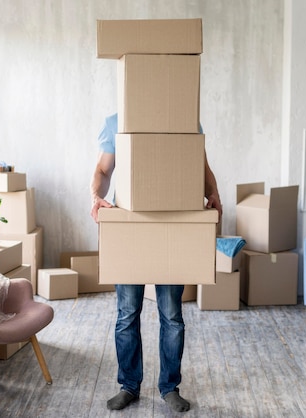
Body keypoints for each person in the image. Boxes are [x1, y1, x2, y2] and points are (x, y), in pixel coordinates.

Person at [90, 113, 223, 412]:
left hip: (170, 228)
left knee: (172, 315)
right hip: (130, 227)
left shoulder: (186, 118)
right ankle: (129, 385)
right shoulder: (116, 122)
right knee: (127, 314)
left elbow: (200, 168)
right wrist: (95, 195)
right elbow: (102, 168)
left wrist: (213, 193)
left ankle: (169, 387)